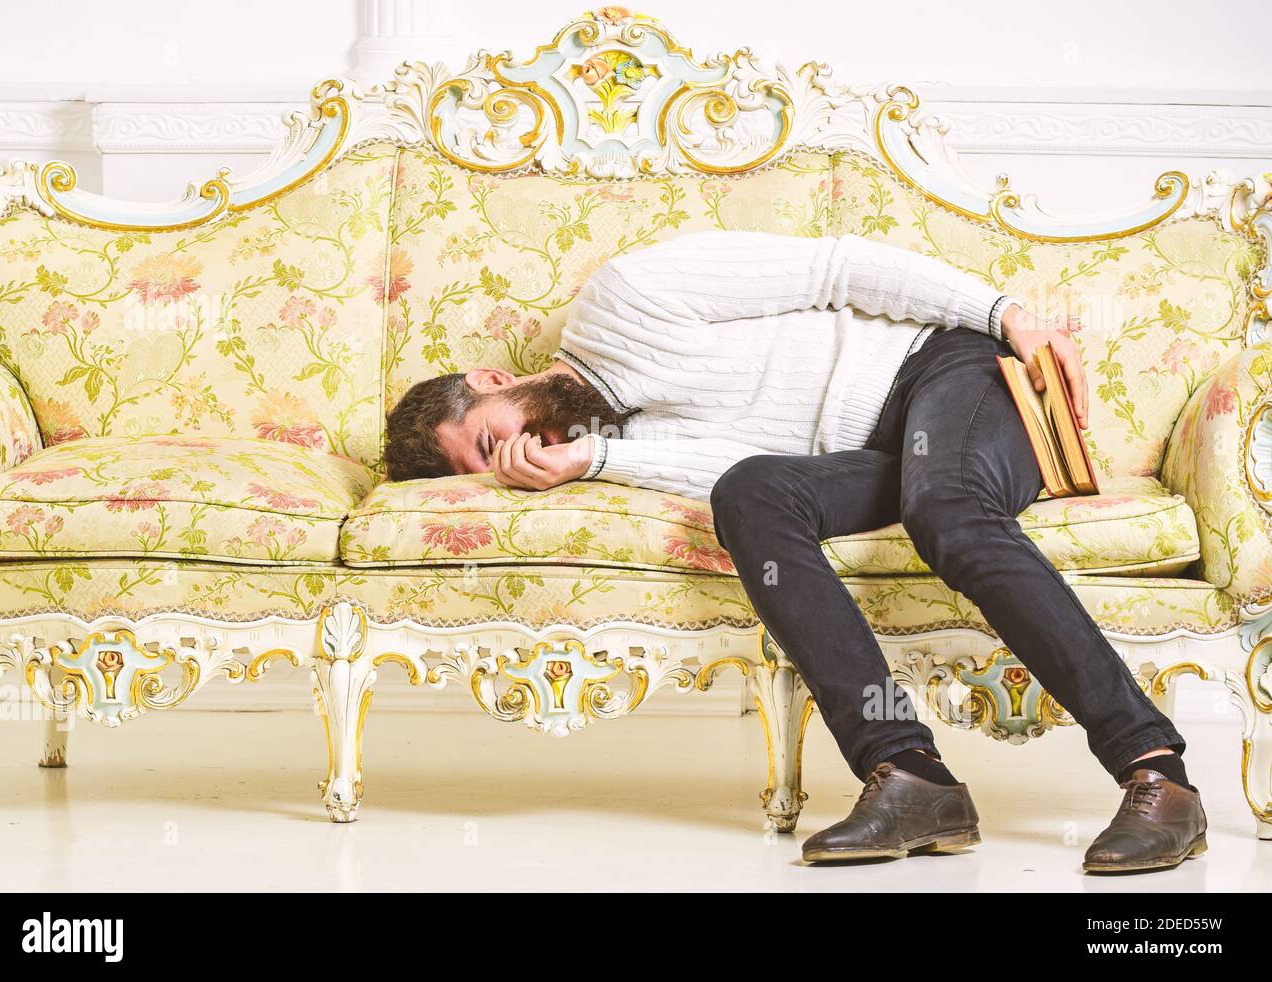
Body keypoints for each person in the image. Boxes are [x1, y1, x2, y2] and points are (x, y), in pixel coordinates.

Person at [386, 230, 1207, 874]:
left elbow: (837, 269)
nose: (521, 449)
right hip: (881, 460)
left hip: (948, 377)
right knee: (749, 494)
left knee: (946, 505)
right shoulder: (617, 443)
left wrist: (1005, 315)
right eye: (497, 465)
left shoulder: (627, 297)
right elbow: (737, 462)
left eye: (497, 436)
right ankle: (914, 777)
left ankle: (1156, 770)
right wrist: (585, 460)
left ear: (493, 379)